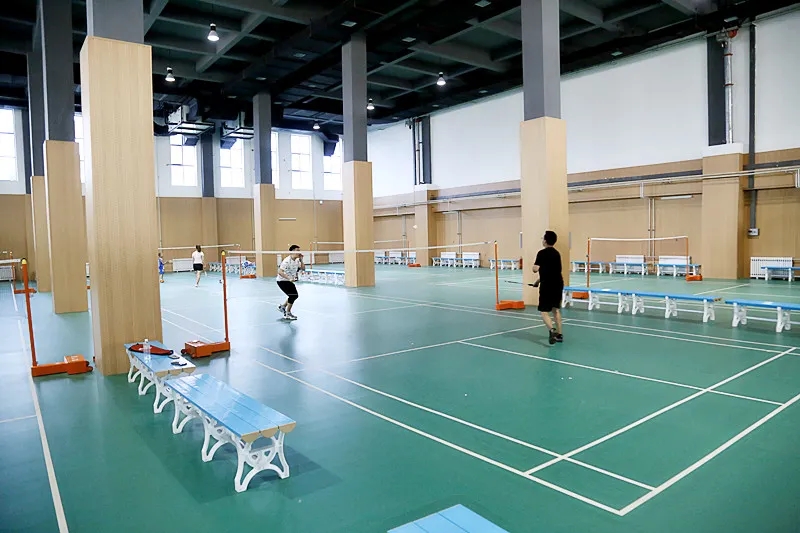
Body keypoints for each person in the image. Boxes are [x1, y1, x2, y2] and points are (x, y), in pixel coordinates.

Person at [533, 230, 564, 345]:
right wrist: (538, 281)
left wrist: (535, 268)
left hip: (547, 285)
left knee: (544, 311)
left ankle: (552, 330)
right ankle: (559, 335)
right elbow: (552, 272)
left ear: (545, 241)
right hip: (558, 284)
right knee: (556, 310)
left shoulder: (541, 253)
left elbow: (535, 269)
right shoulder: (557, 254)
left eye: (543, 238)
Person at [276, 245, 305, 320]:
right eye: (297, 250)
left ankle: (283, 307)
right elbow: (280, 272)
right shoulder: (286, 261)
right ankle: (287, 313)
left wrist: (301, 260)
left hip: (288, 281)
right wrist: (289, 278)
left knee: (293, 295)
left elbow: (303, 268)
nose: (299, 252)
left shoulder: (297, 260)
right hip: (282, 281)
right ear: (292, 252)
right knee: (293, 295)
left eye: (299, 251)